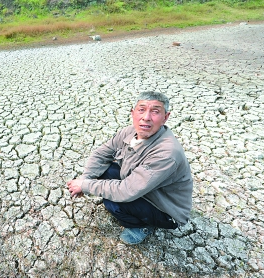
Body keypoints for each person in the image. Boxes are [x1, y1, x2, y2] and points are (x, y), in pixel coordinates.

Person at [66, 91, 193, 245]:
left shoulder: (167, 153)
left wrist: (85, 186)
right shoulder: (129, 132)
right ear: (133, 113)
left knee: (113, 203)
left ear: (166, 117)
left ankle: (141, 227)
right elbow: (101, 154)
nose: (146, 117)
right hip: (144, 187)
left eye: (155, 111)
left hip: (166, 210)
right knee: (103, 172)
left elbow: (125, 190)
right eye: (141, 109)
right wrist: (85, 179)